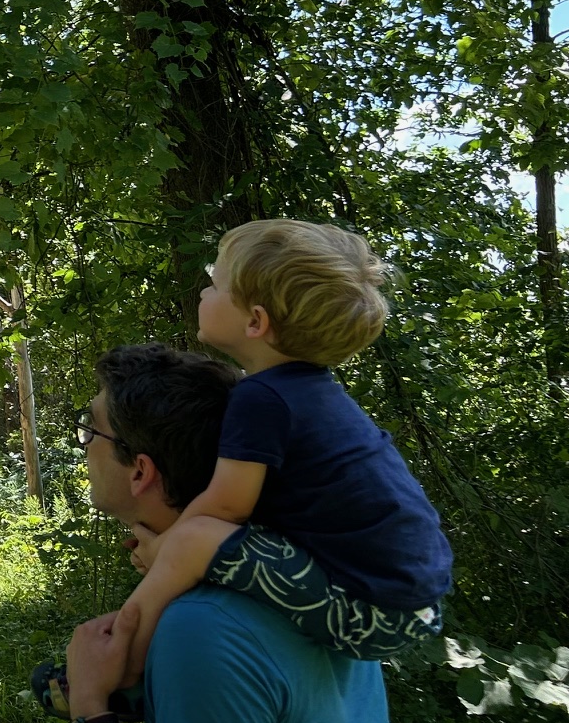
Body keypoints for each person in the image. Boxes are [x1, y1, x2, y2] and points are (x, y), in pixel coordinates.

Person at [65, 344, 418, 723]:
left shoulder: (202, 628)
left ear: (141, 471)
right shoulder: (309, 571)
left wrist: (90, 712)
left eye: (90, 428)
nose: (83, 444)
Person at [115, 221, 451, 681]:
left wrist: (165, 551)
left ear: (256, 321)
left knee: (193, 540)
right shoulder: (306, 394)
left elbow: (226, 509)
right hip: (405, 602)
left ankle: (118, 664)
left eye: (215, 283)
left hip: (375, 608)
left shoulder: (263, 398)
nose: (203, 294)